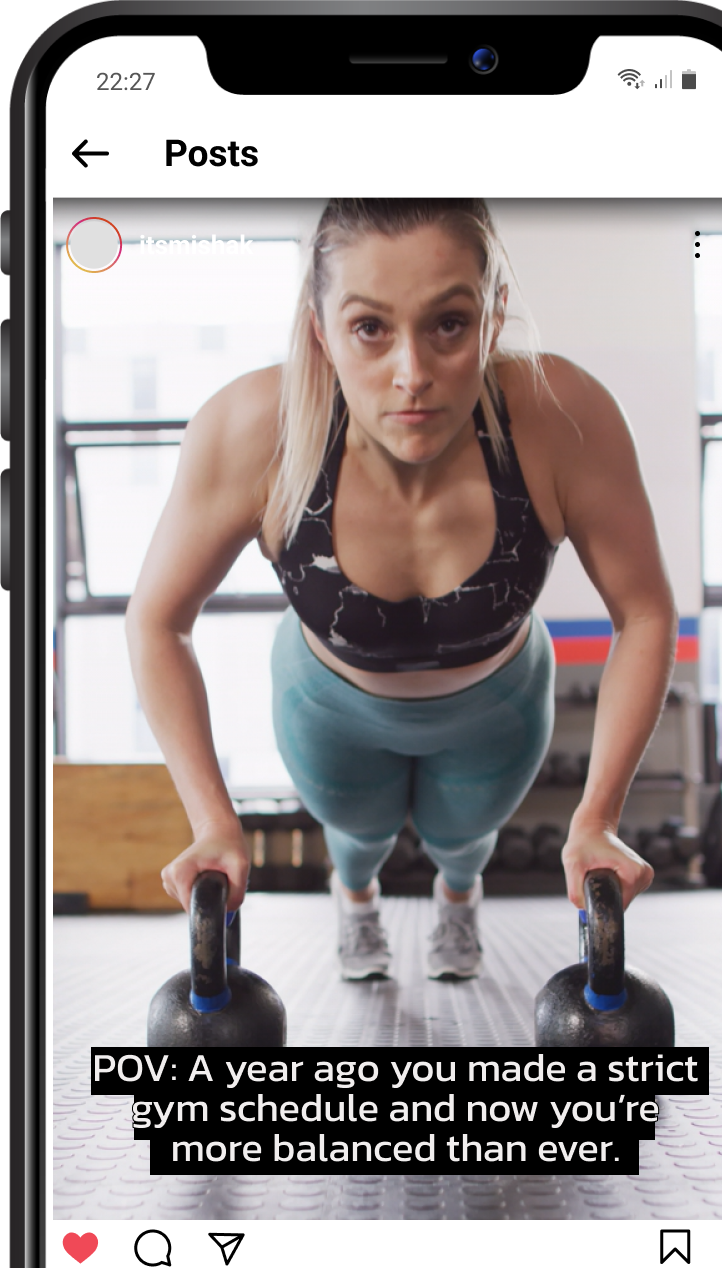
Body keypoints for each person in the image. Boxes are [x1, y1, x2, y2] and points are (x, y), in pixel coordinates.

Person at [126, 199, 677, 985]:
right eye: (370, 328)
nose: (411, 374)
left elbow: (646, 612)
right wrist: (214, 822)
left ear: (493, 318)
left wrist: (597, 819)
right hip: (328, 700)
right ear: (321, 330)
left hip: (498, 699)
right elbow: (156, 621)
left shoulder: (562, 417)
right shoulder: (255, 428)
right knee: (358, 833)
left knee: (465, 837)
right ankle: (355, 897)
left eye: (449, 324)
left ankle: (460, 894)